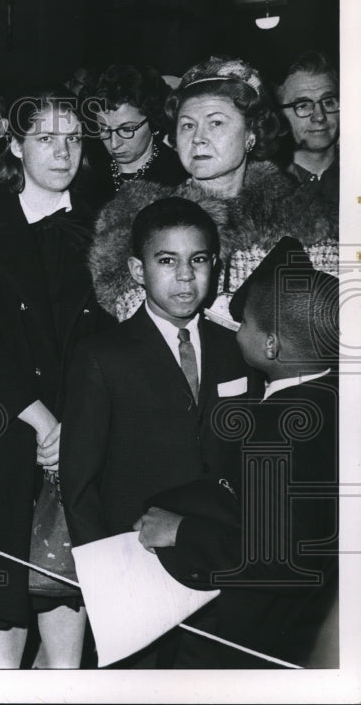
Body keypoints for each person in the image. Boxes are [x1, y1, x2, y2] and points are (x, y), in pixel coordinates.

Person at [0, 90, 115, 669]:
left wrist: (78, 422)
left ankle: (62, 679)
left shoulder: (100, 223)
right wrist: (40, 419)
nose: (62, 151)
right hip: (9, 421)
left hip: (85, 419)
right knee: (4, 561)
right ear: (16, 145)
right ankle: (3, 679)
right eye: (46, 138)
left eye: (73, 138)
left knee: (68, 560)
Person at [61, 197, 251, 667]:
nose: (185, 276)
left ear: (216, 267)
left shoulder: (238, 351)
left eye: (199, 259)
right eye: (167, 261)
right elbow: (79, 481)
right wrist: (109, 578)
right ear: (137, 269)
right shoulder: (102, 356)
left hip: (218, 562)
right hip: (138, 567)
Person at [140, 236, 338, 667]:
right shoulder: (334, 400)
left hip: (254, 642)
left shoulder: (276, 428)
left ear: (271, 346)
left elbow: (281, 556)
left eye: (245, 323)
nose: (237, 331)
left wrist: (180, 532)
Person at [90, 56, 338, 326]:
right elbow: (135, 317)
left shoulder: (303, 218)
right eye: (187, 125)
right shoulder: (139, 220)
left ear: (250, 134)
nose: (198, 137)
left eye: (216, 122)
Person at [80, 64, 187, 210]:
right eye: (104, 129)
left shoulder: (178, 178)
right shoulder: (88, 171)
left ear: (152, 120)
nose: (114, 143)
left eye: (127, 129)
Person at [274, 51, 339, 202]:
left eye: (328, 102)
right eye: (303, 105)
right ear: (279, 114)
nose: (319, 116)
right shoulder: (264, 188)